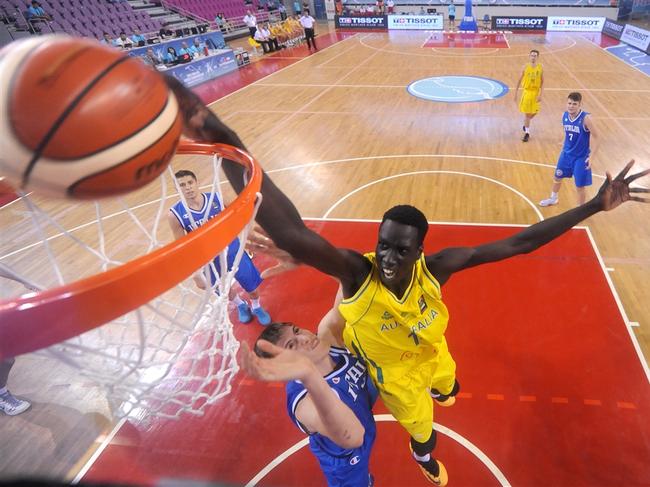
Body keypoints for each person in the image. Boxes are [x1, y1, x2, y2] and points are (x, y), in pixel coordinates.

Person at [163, 75, 650, 487]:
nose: (389, 257)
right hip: (394, 377)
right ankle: (423, 457)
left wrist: (592, 206)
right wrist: (222, 136)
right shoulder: (357, 273)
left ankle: (444, 385)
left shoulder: (437, 267)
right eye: (383, 244)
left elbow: (520, 243)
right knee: (423, 426)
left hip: (432, 350)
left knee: (449, 380)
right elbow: (292, 228)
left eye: (401, 248)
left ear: (419, 250)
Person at [242, 310, 378, 486]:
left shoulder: (329, 337)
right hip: (347, 459)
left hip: (364, 415)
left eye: (297, 330)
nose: (305, 337)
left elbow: (348, 291)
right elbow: (354, 438)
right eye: (291, 345)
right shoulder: (303, 404)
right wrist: (310, 374)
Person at [168, 170, 272, 325]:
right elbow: (183, 246)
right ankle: (241, 305)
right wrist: (195, 273)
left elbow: (239, 214)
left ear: (196, 183)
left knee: (252, 287)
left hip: (232, 250)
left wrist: (247, 237)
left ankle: (256, 307)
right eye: (182, 185)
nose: (187, 187)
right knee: (225, 291)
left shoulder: (217, 198)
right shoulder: (175, 215)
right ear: (177, 189)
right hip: (208, 259)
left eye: (190, 183)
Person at [540, 92, 597, 207]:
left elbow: (598, 137)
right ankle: (553, 198)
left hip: (580, 157)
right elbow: (568, 132)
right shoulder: (564, 116)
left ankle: (580, 210)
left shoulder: (586, 118)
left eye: (574, 104)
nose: (571, 106)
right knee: (557, 177)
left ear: (580, 104)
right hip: (566, 154)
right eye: (569, 103)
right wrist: (564, 142)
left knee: (579, 186)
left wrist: (591, 157)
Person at [514, 49, 543, 143]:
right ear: (529, 56)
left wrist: (541, 94)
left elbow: (542, 82)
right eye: (532, 55)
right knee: (527, 113)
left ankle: (526, 124)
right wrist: (516, 92)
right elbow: (519, 80)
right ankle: (527, 133)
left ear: (537, 57)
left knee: (534, 112)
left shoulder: (540, 67)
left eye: (535, 55)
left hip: (535, 93)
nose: (533, 57)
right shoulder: (525, 67)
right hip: (527, 92)